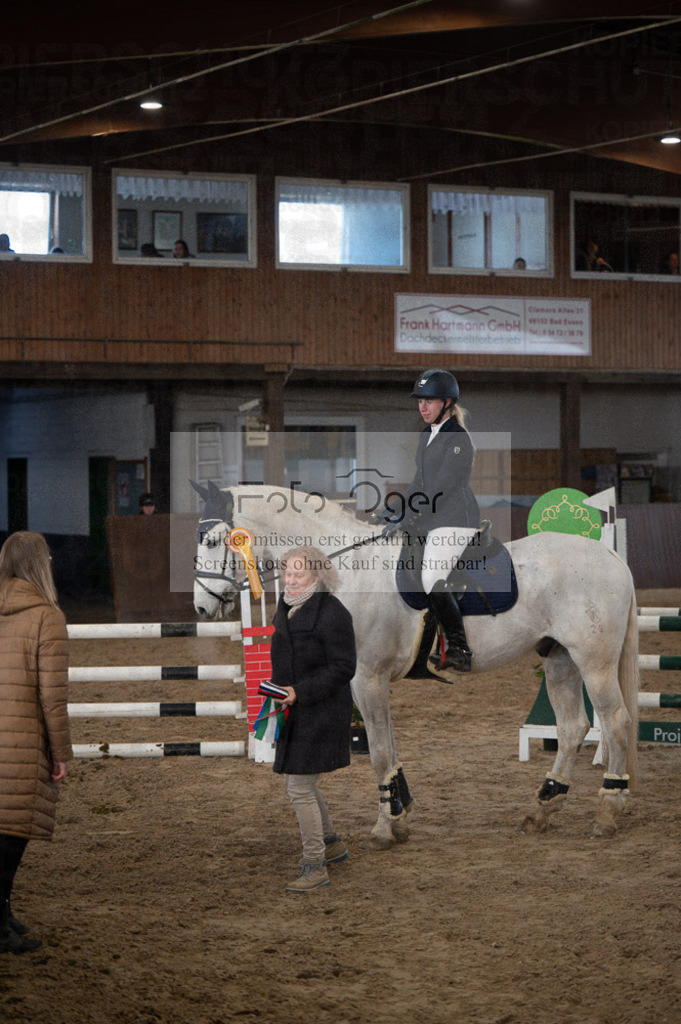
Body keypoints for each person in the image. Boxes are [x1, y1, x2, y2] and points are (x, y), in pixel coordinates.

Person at [0, 532, 72, 954]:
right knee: (11, 836)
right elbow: (52, 696)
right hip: (23, 742)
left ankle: (4, 913)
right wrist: (61, 753)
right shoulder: (48, 616)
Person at [381, 369, 480, 673]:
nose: (422, 407)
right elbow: (419, 483)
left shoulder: (458, 439)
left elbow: (441, 488)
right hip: (432, 515)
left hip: (454, 518)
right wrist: (393, 511)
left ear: (447, 402)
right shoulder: (428, 435)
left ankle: (459, 647)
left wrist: (409, 515)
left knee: (431, 577)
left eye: (430, 401)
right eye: (420, 401)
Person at [271, 545, 356, 893]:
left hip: (321, 710)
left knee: (299, 787)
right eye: (287, 574)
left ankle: (315, 866)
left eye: (298, 575)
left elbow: (344, 668)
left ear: (317, 576)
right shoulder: (288, 605)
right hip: (294, 707)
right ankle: (332, 844)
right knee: (301, 781)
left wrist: (299, 692)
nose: (291, 581)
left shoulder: (333, 613)